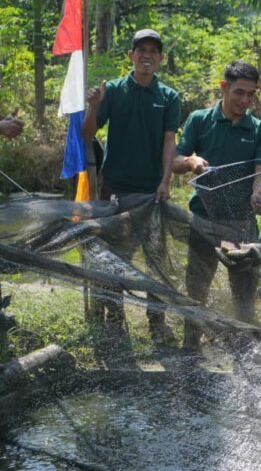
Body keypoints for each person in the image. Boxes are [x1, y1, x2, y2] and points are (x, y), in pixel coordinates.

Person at [81, 28, 180, 344]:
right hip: (114, 190)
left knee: (155, 261)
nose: (146, 55)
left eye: (153, 50)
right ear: (131, 56)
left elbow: (169, 142)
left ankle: (156, 321)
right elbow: (86, 133)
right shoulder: (114, 91)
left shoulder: (168, 97)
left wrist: (166, 180)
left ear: (160, 58)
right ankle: (114, 320)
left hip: (152, 193)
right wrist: (94, 106)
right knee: (114, 258)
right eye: (141, 50)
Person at [172, 61, 261, 351]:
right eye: (239, 92)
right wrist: (191, 162)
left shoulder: (258, 129)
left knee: (243, 294)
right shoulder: (200, 120)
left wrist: (257, 193)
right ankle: (190, 347)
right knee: (196, 291)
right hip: (203, 221)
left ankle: (245, 351)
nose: (244, 100)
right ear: (223, 87)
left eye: (251, 94)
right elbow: (176, 160)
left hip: (242, 224)